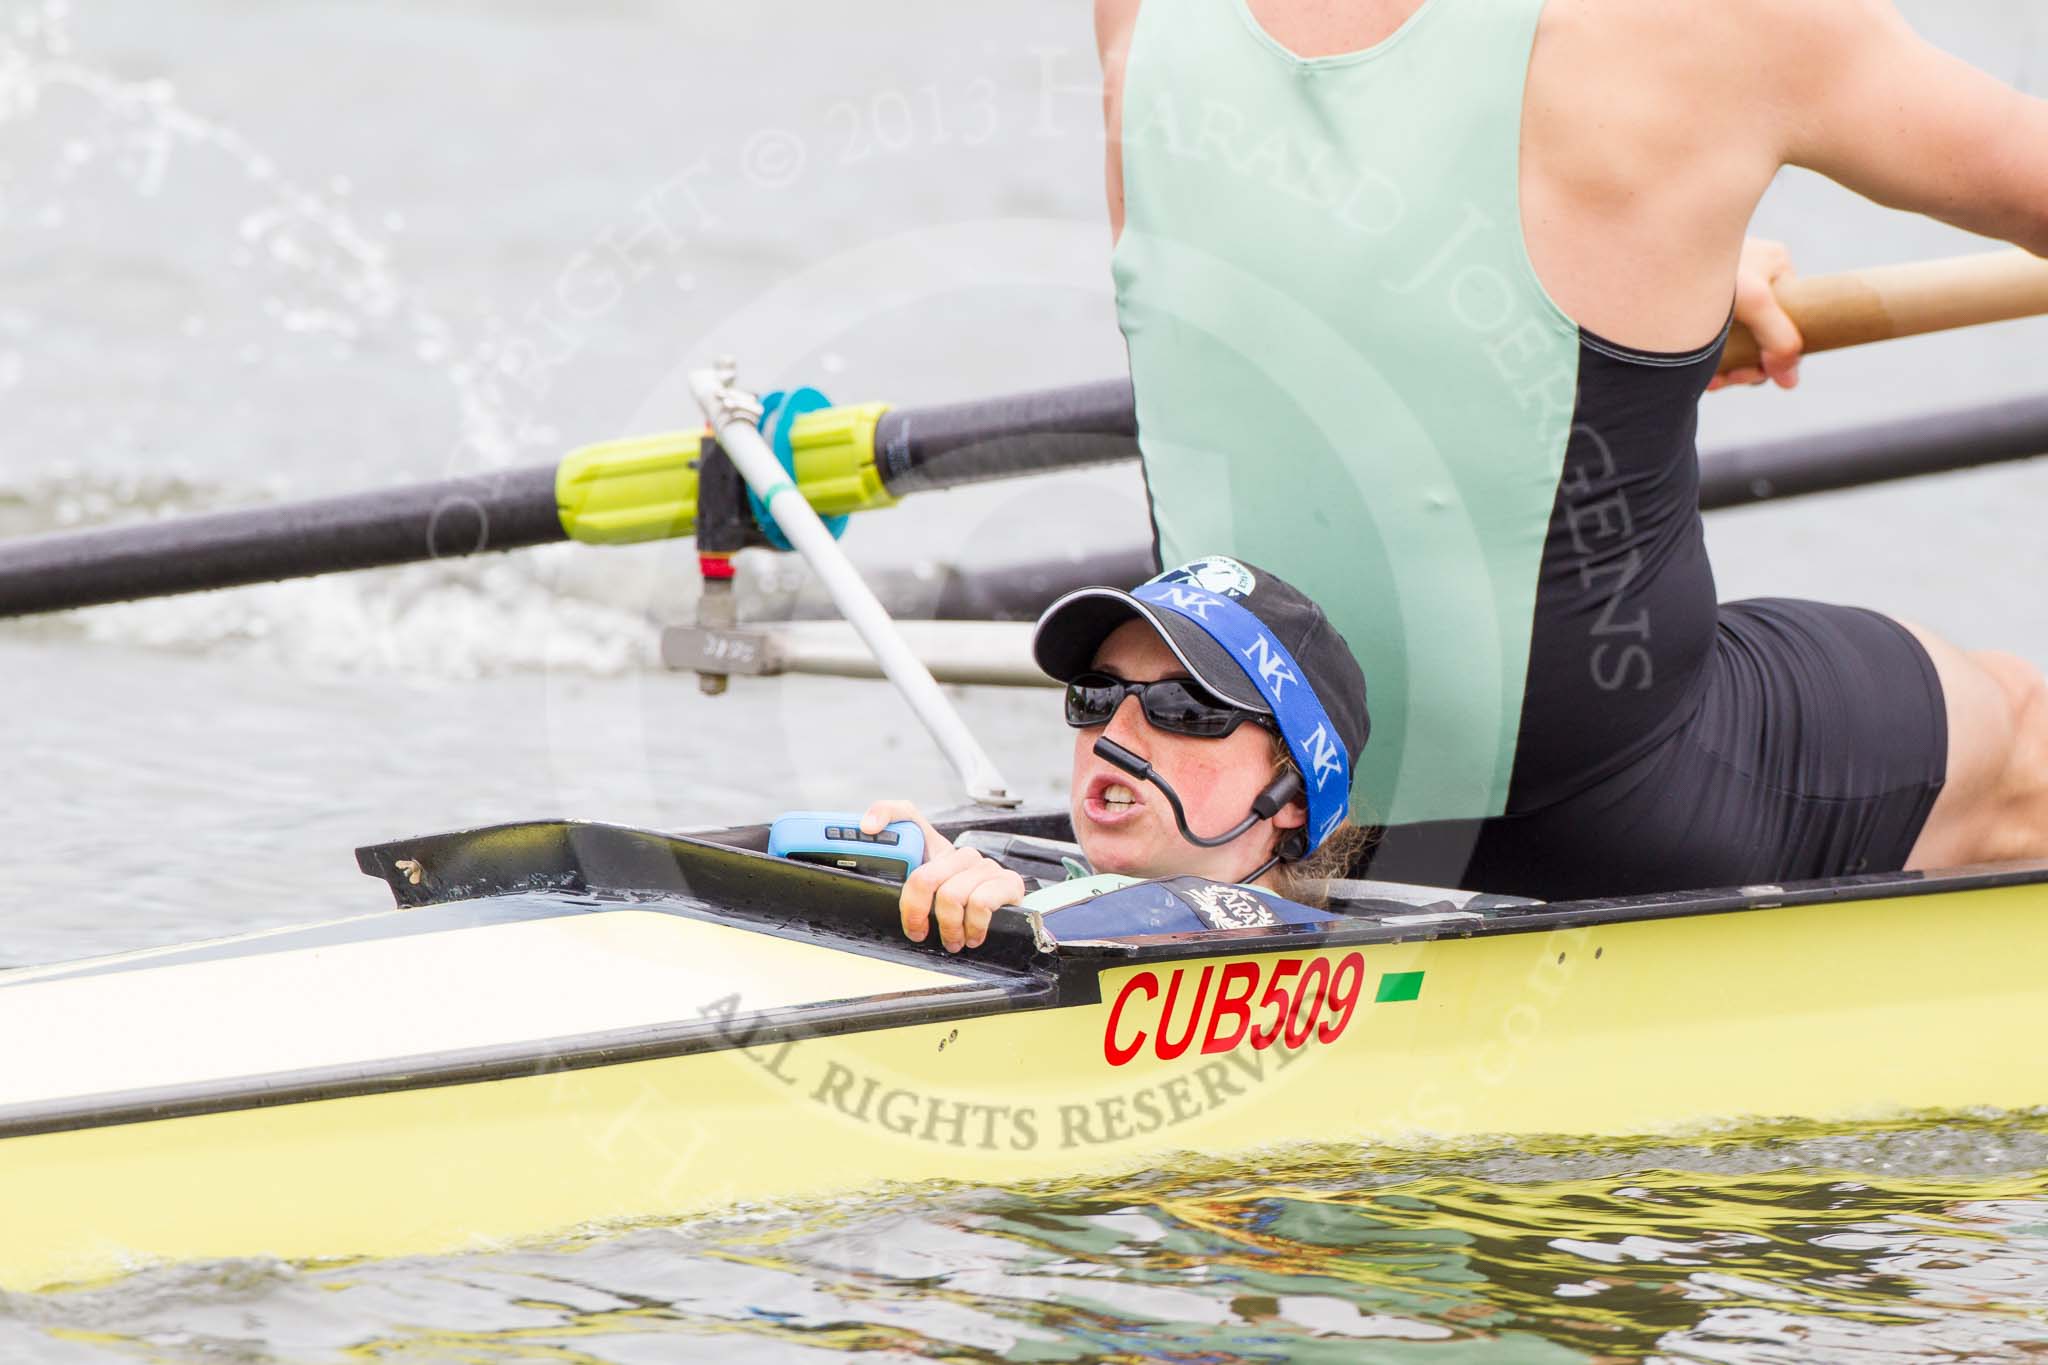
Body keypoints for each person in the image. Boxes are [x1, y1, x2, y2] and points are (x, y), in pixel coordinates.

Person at [1092, 0, 2048, 899]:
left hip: (1225, 798)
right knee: (2015, 727)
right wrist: (1667, 246)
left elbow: (1313, 274)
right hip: (1612, 808)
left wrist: (1680, 256)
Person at [864, 556, 1372, 953]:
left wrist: (1017, 918)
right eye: (1097, 694)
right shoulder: (1022, 885)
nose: (1116, 734)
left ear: (1293, 795)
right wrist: (911, 896)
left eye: (1184, 706)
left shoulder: (1372, 971)